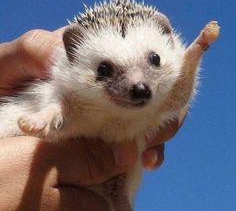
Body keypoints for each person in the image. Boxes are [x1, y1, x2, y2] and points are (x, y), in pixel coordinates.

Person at [0, 28, 187, 211]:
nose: (138, 86)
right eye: (105, 70)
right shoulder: (65, 92)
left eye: (153, 61)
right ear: (71, 55)